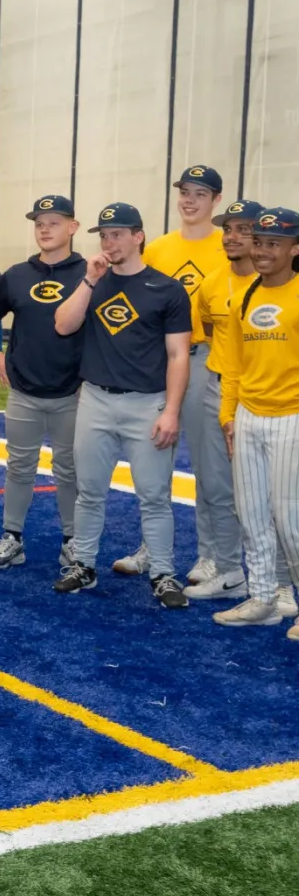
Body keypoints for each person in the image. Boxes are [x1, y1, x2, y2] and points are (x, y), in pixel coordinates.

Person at [52, 202, 192, 609]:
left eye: (117, 234)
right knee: (89, 492)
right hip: (96, 400)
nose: (109, 242)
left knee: (154, 495)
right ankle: (83, 565)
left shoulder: (167, 289)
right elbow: (63, 325)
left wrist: (171, 410)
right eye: (104, 235)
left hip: (148, 404)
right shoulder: (93, 281)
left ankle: (162, 572)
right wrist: (89, 281)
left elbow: (178, 355)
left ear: (138, 237)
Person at [112, 166, 239, 584]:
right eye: (185, 191)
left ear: (216, 200)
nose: (190, 200)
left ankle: (211, 556)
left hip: (206, 359)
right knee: (153, 463)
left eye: (200, 193)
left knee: (211, 468)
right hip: (159, 360)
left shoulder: (229, 246)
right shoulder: (159, 248)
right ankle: (154, 548)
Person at [0, 196, 87, 570]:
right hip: (23, 391)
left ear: (73, 227)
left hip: (72, 392)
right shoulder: (17, 275)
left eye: (54, 222)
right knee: (19, 467)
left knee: (69, 470)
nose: (44, 229)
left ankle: (73, 541)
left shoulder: (90, 274)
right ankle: (12, 537)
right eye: (39, 223)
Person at [214, 207, 299, 630]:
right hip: (248, 416)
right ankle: (263, 598)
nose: (263, 251)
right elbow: (233, 363)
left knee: (290, 521)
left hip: (291, 417)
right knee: (251, 515)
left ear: (294, 249)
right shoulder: (245, 296)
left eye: (274, 244)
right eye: (259, 242)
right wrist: (228, 414)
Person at [188, 199, 275, 601]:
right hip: (220, 389)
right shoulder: (211, 284)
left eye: (244, 229)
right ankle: (227, 569)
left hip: (270, 396)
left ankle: (277, 581)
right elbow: (211, 334)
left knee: (272, 493)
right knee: (215, 484)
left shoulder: (279, 284)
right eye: (228, 229)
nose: (233, 237)